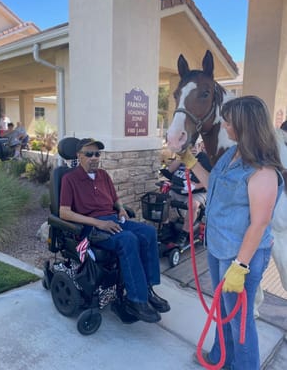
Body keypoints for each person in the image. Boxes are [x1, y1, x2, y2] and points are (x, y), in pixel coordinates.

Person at [179, 96, 284, 369]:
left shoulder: (263, 170)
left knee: (240, 322)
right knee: (224, 310)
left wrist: (239, 266)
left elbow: (259, 223)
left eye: (228, 120)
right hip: (217, 246)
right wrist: (189, 160)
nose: (224, 125)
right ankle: (220, 358)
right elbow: (214, 184)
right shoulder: (231, 154)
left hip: (240, 256)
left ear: (244, 124)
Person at [59, 138, 170, 323]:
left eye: (97, 154)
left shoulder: (103, 175)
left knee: (148, 232)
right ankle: (136, 300)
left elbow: (114, 198)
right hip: (92, 228)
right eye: (89, 154)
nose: (94, 157)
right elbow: (64, 212)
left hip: (114, 220)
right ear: (79, 156)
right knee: (128, 239)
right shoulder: (69, 179)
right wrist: (97, 223)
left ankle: (148, 290)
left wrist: (121, 209)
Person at [160, 143, 211, 246]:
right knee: (162, 199)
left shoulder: (204, 158)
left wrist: (197, 185)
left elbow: (211, 179)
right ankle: (166, 229)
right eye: (190, 146)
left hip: (196, 192)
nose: (192, 148)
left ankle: (184, 233)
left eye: (194, 146)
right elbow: (169, 170)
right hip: (177, 189)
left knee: (193, 205)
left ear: (200, 146)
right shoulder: (181, 156)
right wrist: (182, 156)